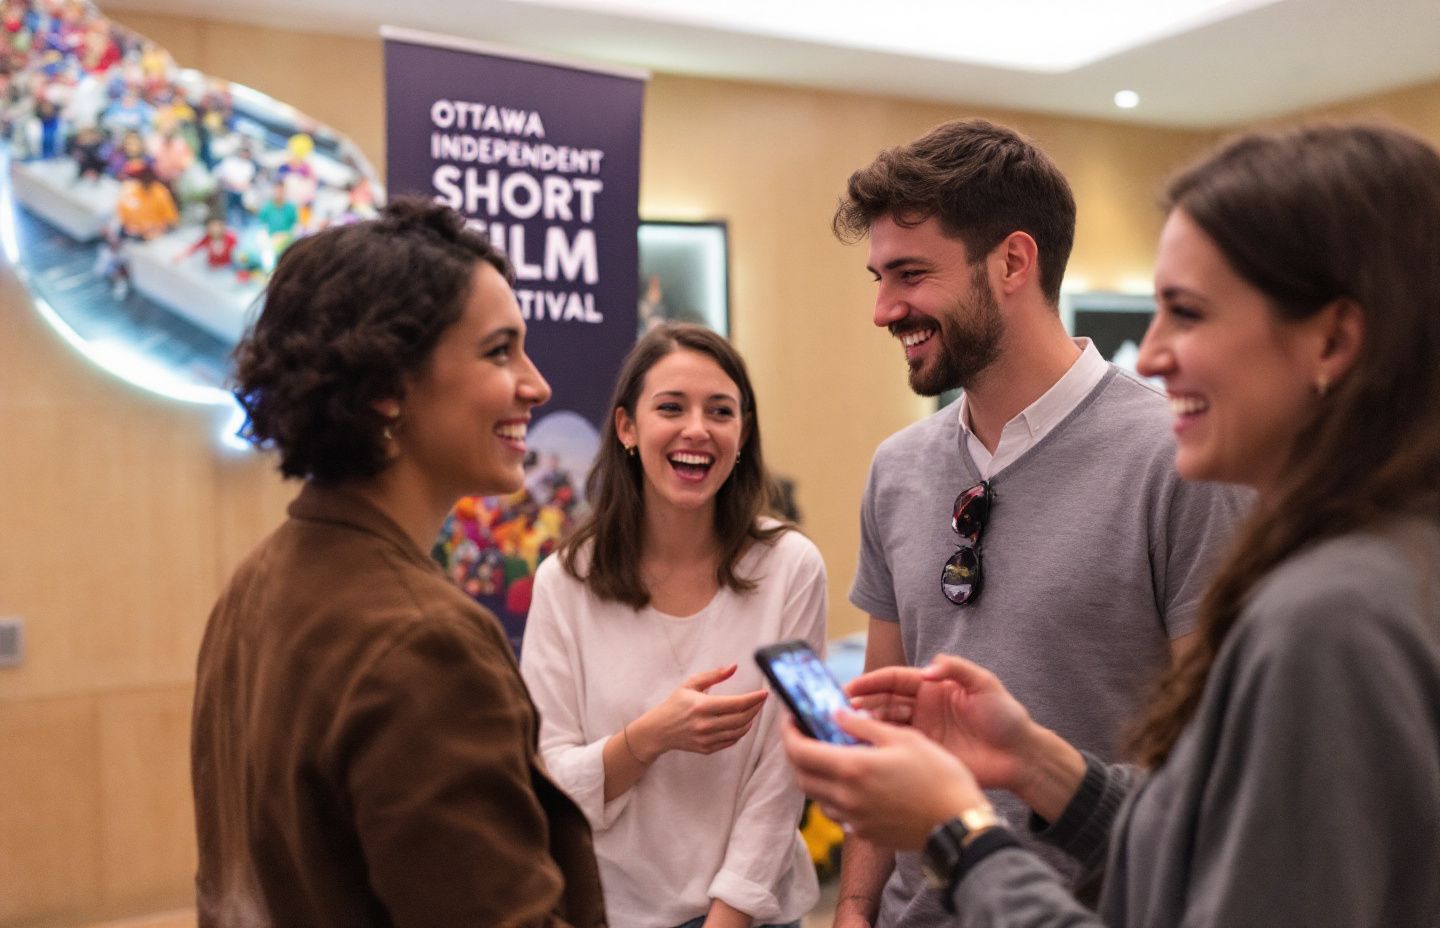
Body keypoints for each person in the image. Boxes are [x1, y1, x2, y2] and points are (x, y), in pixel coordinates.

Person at [785, 122, 1440, 927]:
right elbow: (1196, 823)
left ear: (1335, 339)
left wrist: (959, 833)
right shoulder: (1376, 571)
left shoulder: (1332, 615)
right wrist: (1034, 761)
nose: (1154, 353)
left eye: (1188, 311)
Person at [830, 117, 1248, 928]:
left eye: (910, 274)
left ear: (1013, 262)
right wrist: (853, 906)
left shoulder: (1183, 462)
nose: (884, 310)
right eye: (879, 278)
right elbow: (884, 727)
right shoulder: (896, 470)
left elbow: (1220, 773)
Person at [192, 199, 605, 927]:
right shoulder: (423, 641)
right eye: (499, 351)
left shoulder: (254, 583)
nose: (536, 384)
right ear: (386, 386)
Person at [520, 323, 824, 928]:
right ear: (628, 427)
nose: (697, 430)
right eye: (671, 407)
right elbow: (546, 775)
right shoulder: (565, 581)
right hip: (609, 912)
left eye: (720, 411)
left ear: (742, 433)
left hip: (754, 915)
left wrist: (729, 913)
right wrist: (646, 739)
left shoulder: (790, 567)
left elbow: (788, 765)